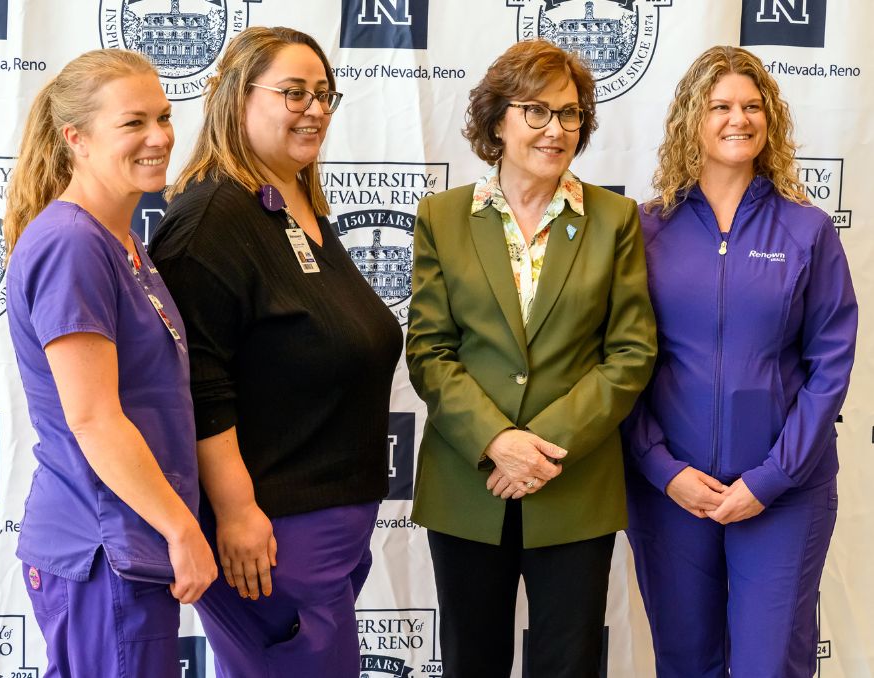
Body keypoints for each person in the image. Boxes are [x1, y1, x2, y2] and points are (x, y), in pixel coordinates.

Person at [148, 27, 402, 678]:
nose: (315, 108)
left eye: (323, 94)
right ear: (237, 100)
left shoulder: (292, 207)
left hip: (327, 526)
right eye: (294, 93)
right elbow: (199, 381)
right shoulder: (211, 220)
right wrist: (235, 513)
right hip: (271, 534)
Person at [405, 39, 657, 678]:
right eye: (536, 112)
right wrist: (496, 441)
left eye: (569, 114)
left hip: (572, 483)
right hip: (469, 481)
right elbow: (430, 351)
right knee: (471, 661)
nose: (556, 129)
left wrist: (537, 447)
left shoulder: (614, 218)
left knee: (568, 665)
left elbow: (629, 353)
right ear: (497, 122)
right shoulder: (442, 216)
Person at [624, 45, 858, 678]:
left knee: (767, 665)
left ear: (770, 120)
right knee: (686, 661)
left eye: (753, 106)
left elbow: (830, 364)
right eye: (721, 105)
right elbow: (619, 363)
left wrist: (771, 479)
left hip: (784, 492)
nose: (739, 118)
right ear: (691, 119)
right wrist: (663, 469)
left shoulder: (806, 229)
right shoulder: (644, 229)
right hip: (673, 492)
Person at [3, 50, 217, 677]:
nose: (160, 137)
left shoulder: (118, 238)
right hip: (102, 551)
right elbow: (95, 418)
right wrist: (183, 532)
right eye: (133, 123)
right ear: (76, 138)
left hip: (128, 546)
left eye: (165, 117)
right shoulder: (73, 243)